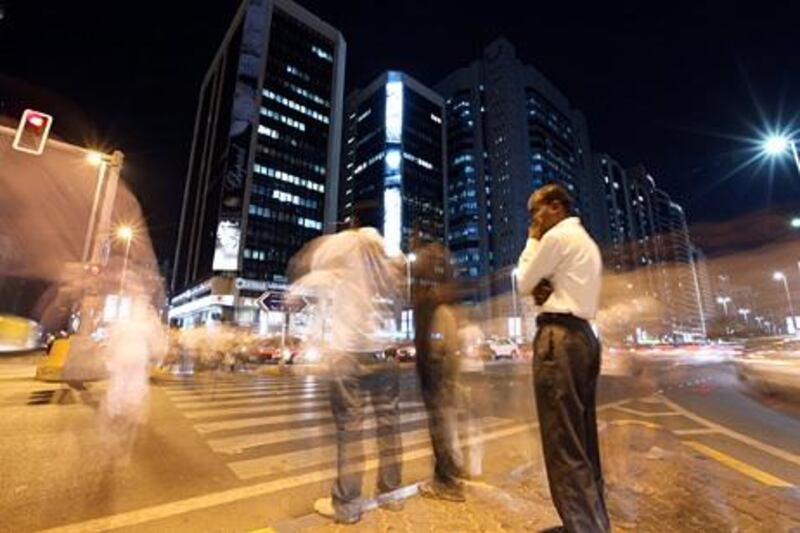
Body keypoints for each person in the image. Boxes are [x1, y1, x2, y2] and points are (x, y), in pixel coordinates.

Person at [292, 206, 404, 525]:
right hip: (386, 352)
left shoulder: (345, 243)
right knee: (389, 425)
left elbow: (306, 261)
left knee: (350, 428)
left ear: (353, 221)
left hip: (352, 352)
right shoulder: (393, 253)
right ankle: (391, 495)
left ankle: (348, 504)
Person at [515, 183, 609, 533]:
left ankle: (582, 526)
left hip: (558, 340)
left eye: (537, 211)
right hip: (584, 337)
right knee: (582, 439)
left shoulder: (556, 238)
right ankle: (593, 521)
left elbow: (524, 283)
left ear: (555, 207)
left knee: (562, 442)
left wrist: (531, 240)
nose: (535, 219)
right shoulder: (586, 242)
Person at [413, 243, 466, 502]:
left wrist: (433, 362)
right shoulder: (442, 297)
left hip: (435, 365)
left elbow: (437, 342)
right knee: (443, 418)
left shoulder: (434, 301)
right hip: (439, 364)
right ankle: (451, 468)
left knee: (439, 419)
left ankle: (446, 481)